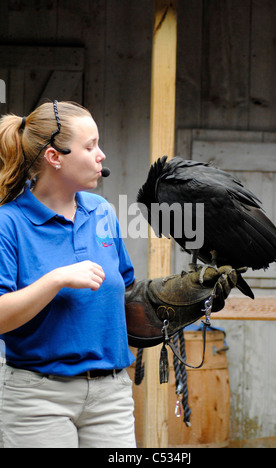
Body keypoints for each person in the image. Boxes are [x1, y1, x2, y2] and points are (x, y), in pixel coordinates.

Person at [0, 100, 237, 449]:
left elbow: (125, 295)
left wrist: (183, 298)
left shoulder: (102, 212)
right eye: (90, 146)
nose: (101, 154)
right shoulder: (9, 223)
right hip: (38, 398)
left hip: (110, 395)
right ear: (55, 157)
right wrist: (56, 280)